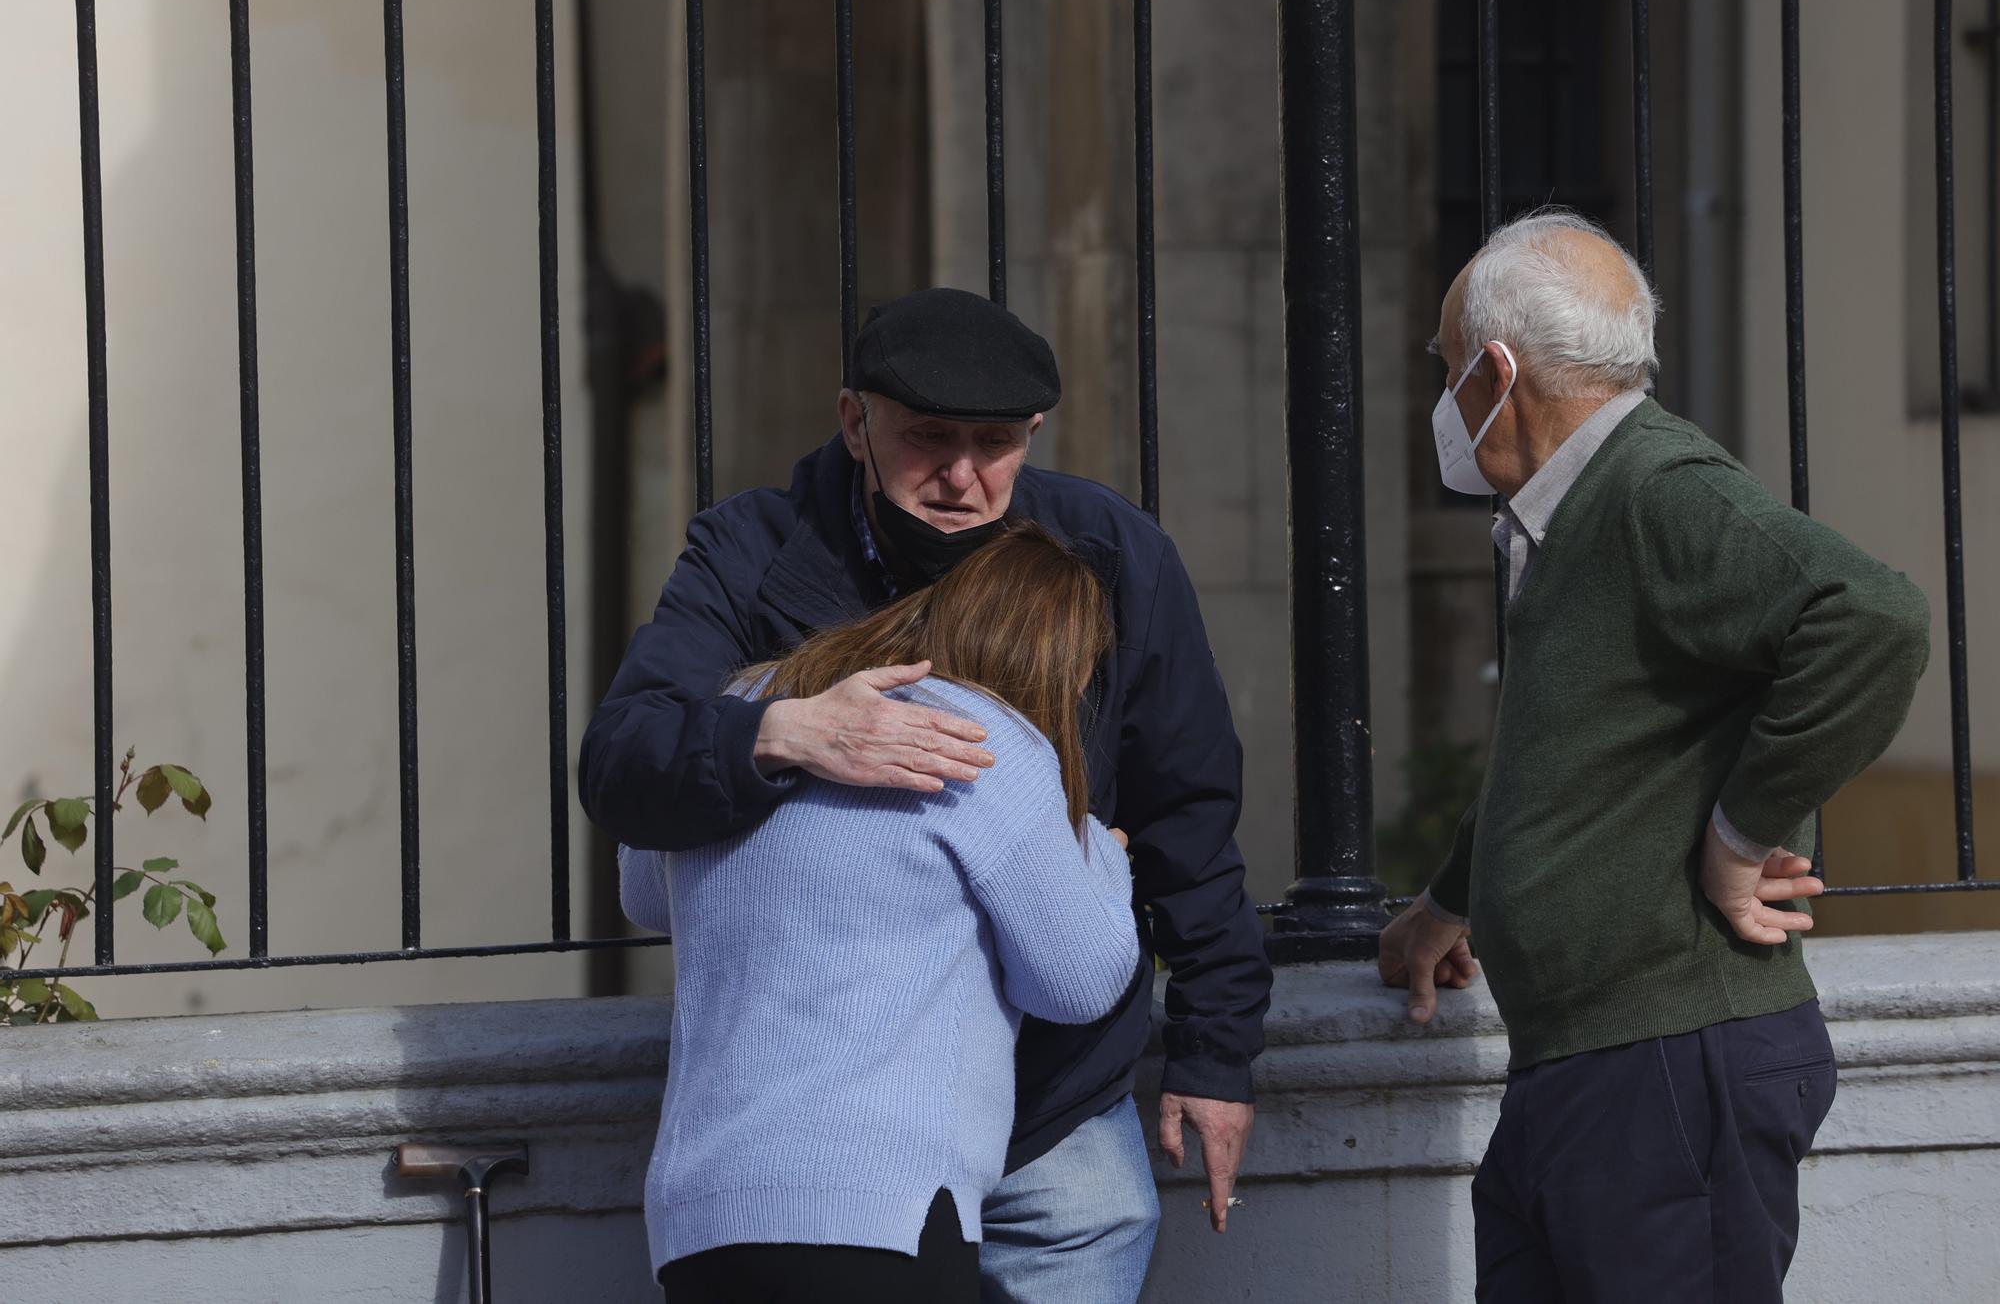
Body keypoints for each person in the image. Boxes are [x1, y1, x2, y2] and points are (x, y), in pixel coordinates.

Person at [580, 287, 1272, 1302]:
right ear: (854, 421)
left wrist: (1213, 1054)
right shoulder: (749, 549)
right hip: (820, 1139)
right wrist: (788, 733)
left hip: (1053, 1108)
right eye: (926, 438)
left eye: (994, 443)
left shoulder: (1103, 556)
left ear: (1033, 432)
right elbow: (622, 766)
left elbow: (1188, 812)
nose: (959, 476)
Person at [1376, 209, 1930, 1302]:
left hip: (1670, 1061)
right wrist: (1451, 900)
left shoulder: (1654, 488)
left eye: (1443, 372)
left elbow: (1874, 617)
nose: (1439, 403)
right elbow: (1580, 749)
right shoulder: (1573, 509)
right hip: (1594, 1073)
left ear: (1494, 369)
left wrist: (1739, 835)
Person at [623, 526, 1142, 1302]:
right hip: (883, 1213)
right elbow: (1077, 980)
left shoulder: (755, 708)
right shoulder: (981, 741)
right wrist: (1101, 855)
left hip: (702, 1218)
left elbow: (640, 887)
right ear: (1056, 664)